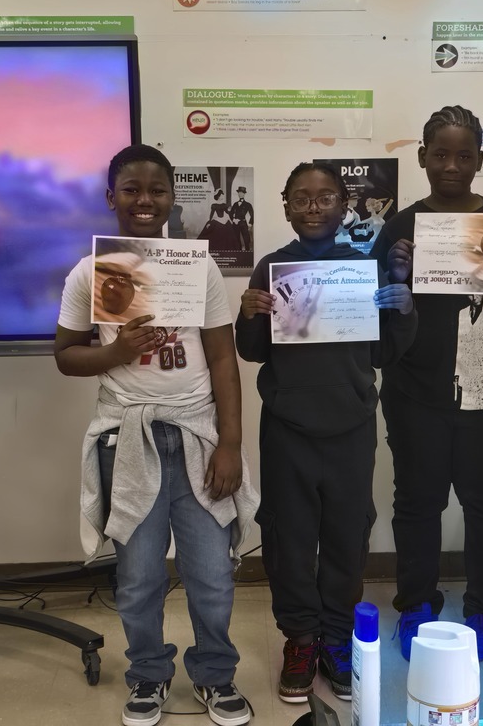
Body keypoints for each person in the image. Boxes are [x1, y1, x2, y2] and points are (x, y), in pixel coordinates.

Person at [55, 144, 257, 726]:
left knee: (212, 576)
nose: (145, 201)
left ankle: (215, 676)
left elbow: (223, 360)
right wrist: (115, 350)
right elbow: (66, 357)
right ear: (111, 197)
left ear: (172, 198)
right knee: (139, 577)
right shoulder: (90, 272)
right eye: (132, 189)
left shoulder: (198, 267)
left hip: (197, 437)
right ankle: (148, 675)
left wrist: (231, 442)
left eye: (157, 190)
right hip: (130, 439)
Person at [369, 105, 483, 661]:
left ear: (480, 160)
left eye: (464, 155)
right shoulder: (401, 226)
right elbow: (374, 309)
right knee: (417, 504)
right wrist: (395, 274)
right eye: (441, 154)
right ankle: (417, 604)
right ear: (422, 157)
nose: (452, 165)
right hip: (414, 392)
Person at [235, 162, 416, 703]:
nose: (313, 207)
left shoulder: (363, 268)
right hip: (287, 429)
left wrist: (404, 310)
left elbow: (384, 353)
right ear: (285, 205)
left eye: (325, 197)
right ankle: (300, 638)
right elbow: (252, 351)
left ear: (344, 206)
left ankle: (336, 638)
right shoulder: (271, 267)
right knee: (288, 537)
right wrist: (249, 315)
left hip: (351, 427)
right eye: (301, 198)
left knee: (346, 534)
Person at [229, 186, 254, 251]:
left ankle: (247, 253)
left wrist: (250, 223)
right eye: (239, 193)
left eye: (241, 193)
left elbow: (252, 215)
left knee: (246, 239)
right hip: (235, 224)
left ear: (244, 194)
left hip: (243, 223)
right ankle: (238, 252)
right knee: (236, 239)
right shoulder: (235, 204)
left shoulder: (248, 204)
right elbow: (231, 214)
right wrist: (233, 220)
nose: (240, 194)